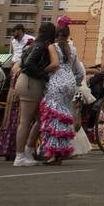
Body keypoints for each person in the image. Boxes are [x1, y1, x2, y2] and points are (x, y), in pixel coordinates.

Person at [12, 21, 57, 168]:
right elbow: (29, 64)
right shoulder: (40, 46)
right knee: (25, 121)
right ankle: (20, 156)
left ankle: (28, 150)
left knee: (39, 119)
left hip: (28, 82)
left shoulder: (33, 45)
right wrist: (43, 74)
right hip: (31, 83)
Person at [38, 18, 78, 165]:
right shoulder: (73, 49)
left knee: (54, 116)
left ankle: (54, 154)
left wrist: (42, 71)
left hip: (57, 81)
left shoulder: (53, 47)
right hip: (70, 82)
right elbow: (75, 68)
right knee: (64, 116)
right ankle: (62, 151)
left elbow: (55, 65)